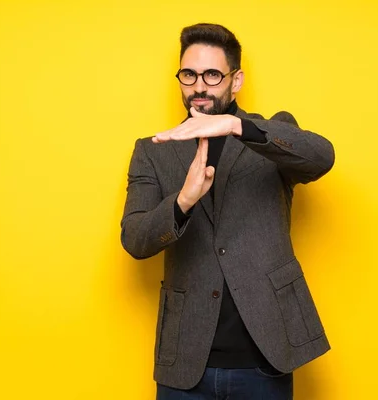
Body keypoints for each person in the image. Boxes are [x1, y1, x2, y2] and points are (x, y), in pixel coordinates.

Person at [121, 22, 335, 400]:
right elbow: (135, 239)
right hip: (186, 363)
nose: (199, 86)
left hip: (266, 356)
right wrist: (182, 201)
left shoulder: (270, 133)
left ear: (235, 81)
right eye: (189, 74)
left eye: (212, 74)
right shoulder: (152, 150)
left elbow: (321, 157)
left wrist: (240, 126)